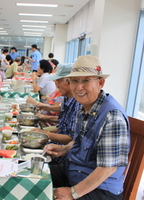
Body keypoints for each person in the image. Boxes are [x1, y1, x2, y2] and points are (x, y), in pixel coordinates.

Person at [45, 55, 130, 200]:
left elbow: (108, 168)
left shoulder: (112, 116)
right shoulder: (84, 108)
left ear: (100, 83)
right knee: (34, 177)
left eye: (86, 80)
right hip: (73, 172)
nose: (79, 87)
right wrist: (63, 149)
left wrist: (73, 193)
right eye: (74, 81)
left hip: (100, 190)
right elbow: (79, 142)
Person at [27, 63, 81, 150]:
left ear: (68, 81)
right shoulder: (67, 98)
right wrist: (46, 120)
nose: (56, 85)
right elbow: (64, 122)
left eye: (57, 82)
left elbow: (71, 138)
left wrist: (44, 133)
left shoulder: (78, 103)